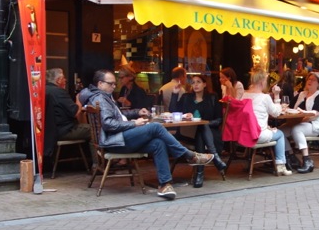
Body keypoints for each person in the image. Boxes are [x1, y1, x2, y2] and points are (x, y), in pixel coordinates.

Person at [85, 69, 215, 200]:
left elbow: (118, 115)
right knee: (155, 127)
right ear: (100, 84)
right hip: (115, 141)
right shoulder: (100, 98)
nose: (114, 86)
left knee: (158, 143)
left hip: (119, 138)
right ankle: (189, 155)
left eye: (114, 83)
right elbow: (109, 124)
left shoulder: (104, 96)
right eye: (111, 84)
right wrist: (134, 124)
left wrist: (136, 112)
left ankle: (165, 184)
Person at [169, 74, 227, 186]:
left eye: (198, 82)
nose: (195, 85)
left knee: (201, 128)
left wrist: (205, 124)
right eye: (193, 82)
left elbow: (219, 119)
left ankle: (200, 173)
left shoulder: (212, 97)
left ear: (204, 84)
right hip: (188, 133)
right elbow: (173, 111)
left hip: (210, 133)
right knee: (200, 129)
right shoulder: (186, 97)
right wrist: (175, 94)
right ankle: (215, 158)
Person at [243, 69, 291, 176]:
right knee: (280, 134)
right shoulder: (265, 97)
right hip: (257, 135)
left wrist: (265, 126)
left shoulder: (244, 95)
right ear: (261, 82)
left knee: (273, 130)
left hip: (244, 134)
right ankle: (280, 165)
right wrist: (277, 95)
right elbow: (276, 113)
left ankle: (249, 163)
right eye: (265, 80)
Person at [282, 71, 319, 173]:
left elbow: (316, 114)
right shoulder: (302, 94)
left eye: (313, 80)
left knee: (297, 129)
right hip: (299, 123)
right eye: (309, 79)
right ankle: (291, 156)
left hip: (316, 125)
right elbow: (290, 107)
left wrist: (303, 115)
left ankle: (307, 160)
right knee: (280, 132)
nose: (310, 81)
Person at [44, 68, 91, 163]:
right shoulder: (59, 92)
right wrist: (78, 100)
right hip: (64, 130)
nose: (65, 80)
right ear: (58, 80)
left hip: (49, 131)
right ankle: (96, 163)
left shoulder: (44, 90)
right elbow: (75, 112)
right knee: (95, 130)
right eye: (63, 78)